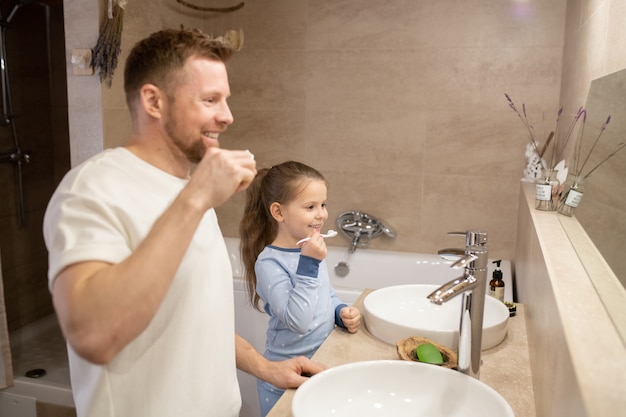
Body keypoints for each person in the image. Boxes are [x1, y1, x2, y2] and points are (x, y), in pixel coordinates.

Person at [42, 28, 325, 417]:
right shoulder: (92, 189)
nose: (227, 116)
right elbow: (93, 336)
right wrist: (195, 199)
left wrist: (266, 367)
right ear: (154, 101)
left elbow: (196, 317)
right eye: (210, 100)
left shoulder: (189, 192)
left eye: (225, 100)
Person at [239, 161, 361, 416]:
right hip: (284, 380)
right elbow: (299, 321)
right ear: (279, 212)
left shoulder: (309, 249)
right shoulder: (270, 262)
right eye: (310, 207)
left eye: (323, 205)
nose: (321, 214)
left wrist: (339, 311)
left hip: (318, 365)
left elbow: (324, 294)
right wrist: (309, 263)